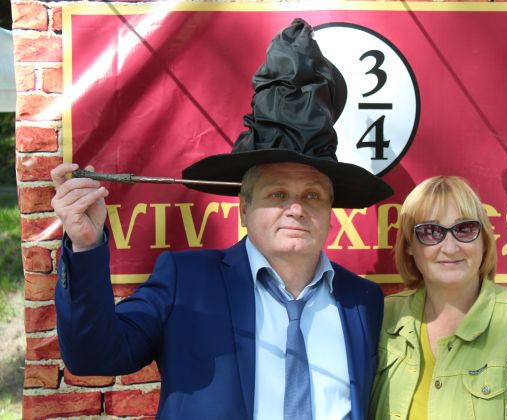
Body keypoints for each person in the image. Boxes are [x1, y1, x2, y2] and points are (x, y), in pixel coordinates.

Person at [52, 19, 393, 420]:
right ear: (244, 208)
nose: (296, 208)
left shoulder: (363, 301)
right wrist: (86, 246)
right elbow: (93, 356)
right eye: (277, 194)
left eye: (312, 195)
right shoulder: (186, 281)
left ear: (331, 210)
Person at [368, 176, 507, 420]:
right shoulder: (381, 318)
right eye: (431, 232)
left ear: (484, 239)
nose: (450, 247)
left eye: (464, 229)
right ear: (409, 245)